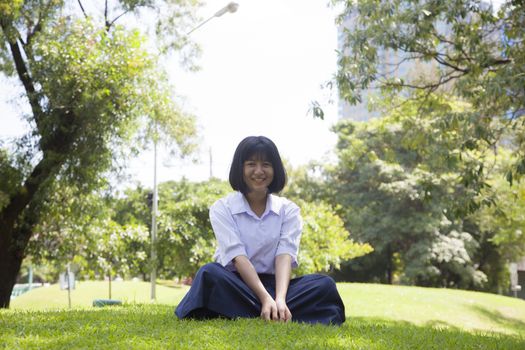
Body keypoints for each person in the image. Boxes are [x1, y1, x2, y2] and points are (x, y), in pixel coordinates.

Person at [175, 136, 345, 325]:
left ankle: (269, 310)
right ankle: (269, 310)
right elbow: (238, 257)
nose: (258, 171)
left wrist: (279, 299)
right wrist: (264, 299)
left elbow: (284, 256)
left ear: (275, 169)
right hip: (235, 285)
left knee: (324, 285)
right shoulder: (222, 208)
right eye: (251, 164)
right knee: (209, 273)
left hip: (277, 286)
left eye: (266, 164)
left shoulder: (289, 210)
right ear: (241, 169)